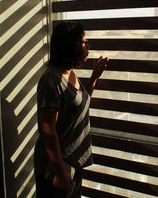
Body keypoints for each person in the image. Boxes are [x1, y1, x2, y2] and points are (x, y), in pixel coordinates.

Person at [34, 22, 109, 197]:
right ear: (71, 45)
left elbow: (80, 104)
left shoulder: (68, 73)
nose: (88, 48)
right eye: (85, 43)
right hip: (54, 170)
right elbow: (47, 130)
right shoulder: (51, 80)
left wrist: (94, 77)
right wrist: (60, 173)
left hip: (71, 165)